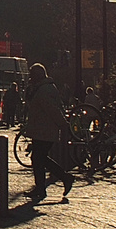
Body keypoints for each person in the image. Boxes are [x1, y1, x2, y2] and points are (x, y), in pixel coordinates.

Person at [23, 62, 71, 203]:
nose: (30, 78)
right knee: (39, 158)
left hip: (45, 129)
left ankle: (59, 180)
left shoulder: (43, 90)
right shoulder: (44, 88)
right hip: (42, 128)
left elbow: (52, 109)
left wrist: (63, 124)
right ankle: (43, 187)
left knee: (39, 158)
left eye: (32, 75)